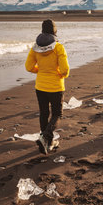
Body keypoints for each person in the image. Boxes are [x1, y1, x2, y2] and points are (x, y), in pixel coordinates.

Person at [25, 19, 69, 154]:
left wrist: (41, 71)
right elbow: (64, 70)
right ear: (54, 31)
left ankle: (47, 143)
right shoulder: (58, 47)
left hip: (40, 86)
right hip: (56, 87)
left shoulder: (35, 48)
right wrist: (60, 74)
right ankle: (46, 136)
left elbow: (29, 67)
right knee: (57, 114)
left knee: (44, 113)